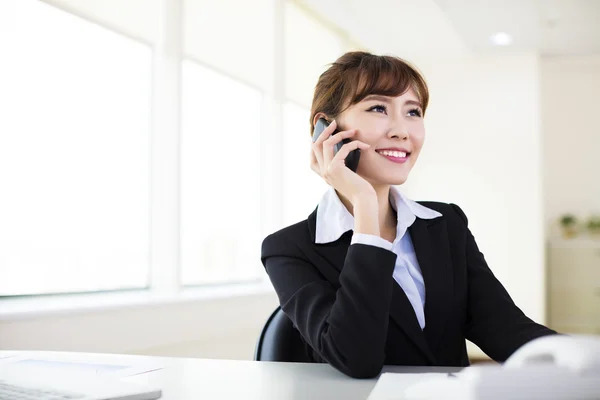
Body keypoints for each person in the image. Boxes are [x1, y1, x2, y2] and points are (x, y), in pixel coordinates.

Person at [260, 51, 556, 379]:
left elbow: (505, 329)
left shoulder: (446, 224)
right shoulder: (289, 249)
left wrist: (581, 357)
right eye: (378, 108)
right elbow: (357, 358)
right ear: (325, 129)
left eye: (413, 112)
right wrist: (365, 206)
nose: (402, 131)